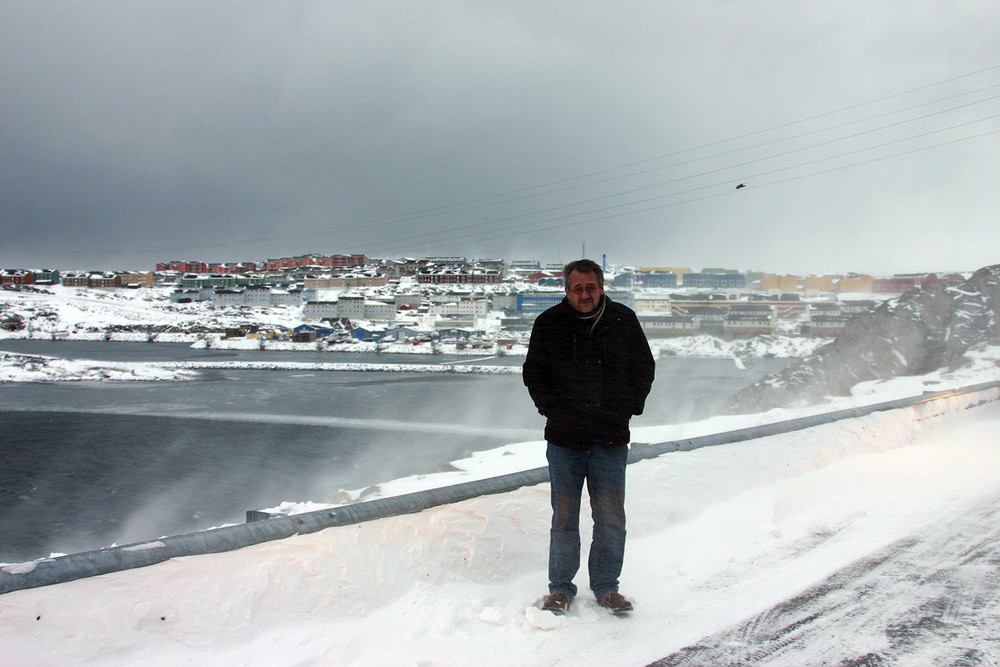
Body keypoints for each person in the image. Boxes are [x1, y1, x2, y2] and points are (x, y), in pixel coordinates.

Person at [522, 259, 655, 615]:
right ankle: (561, 589)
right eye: (577, 288)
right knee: (564, 518)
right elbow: (534, 373)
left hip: (610, 438)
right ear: (567, 290)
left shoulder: (622, 320)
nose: (585, 294)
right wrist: (553, 409)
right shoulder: (549, 323)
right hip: (565, 439)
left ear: (601, 288)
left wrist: (627, 408)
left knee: (610, 517)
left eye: (591, 288)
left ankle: (607, 588)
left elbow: (644, 367)